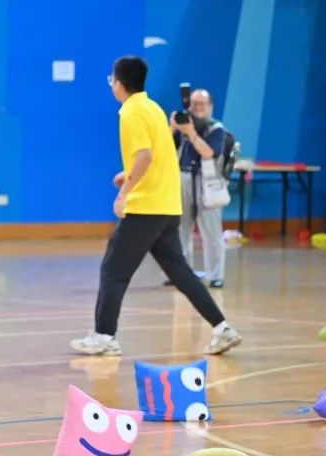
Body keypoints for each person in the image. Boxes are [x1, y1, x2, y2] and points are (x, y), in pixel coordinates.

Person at [70, 57, 242, 357]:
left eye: (112, 80)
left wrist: (124, 193)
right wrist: (127, 174)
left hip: (145, 208)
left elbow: (145, 156)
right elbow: (159, 156)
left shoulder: (130, 112)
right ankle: (222, 328)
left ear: (119, 83)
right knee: (181, 273)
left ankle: (104, 336)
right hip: (167, 206)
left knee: (113, 270)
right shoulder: (153, 108)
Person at [170, 89, 229, 288]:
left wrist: (191, 133)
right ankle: (182, 274)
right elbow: (166, 147)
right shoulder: (184, 126)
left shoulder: (216, 129)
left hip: (207, 181)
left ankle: (216, 275)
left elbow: (209, 152)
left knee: (211, 231)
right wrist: (173, 127)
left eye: (201, 103)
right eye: (194, 103)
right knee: (181, 229)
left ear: (210, 106)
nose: (197, 108)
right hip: (183, 177)